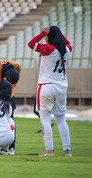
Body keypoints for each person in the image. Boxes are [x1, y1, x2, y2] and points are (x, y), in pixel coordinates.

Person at [28, 26, 72, 157]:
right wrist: (58, 33)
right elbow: (68, 43)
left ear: (49, 36)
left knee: (45, 119)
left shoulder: (49, 49)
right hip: (61, 86)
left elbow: (31, 44)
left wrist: (43, 33)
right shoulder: (67, 50)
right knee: (61, 120)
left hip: (47, 85)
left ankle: (49, 151)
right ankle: (67, 151)